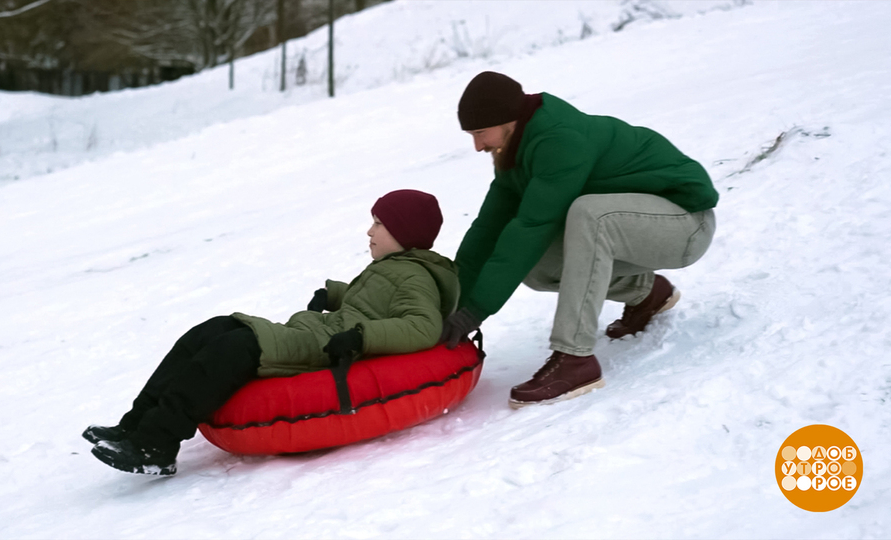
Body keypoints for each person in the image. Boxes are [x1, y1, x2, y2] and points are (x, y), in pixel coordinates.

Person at [86, 189, 458, 475]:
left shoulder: (414, 275)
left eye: (378, 223)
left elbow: (422, 326)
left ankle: (157, 445)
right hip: (318, 331)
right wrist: (335, 294)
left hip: (323, 347)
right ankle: (134, 426)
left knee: (231, 349)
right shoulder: (397, 267)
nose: (369, 230)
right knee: (210, 331)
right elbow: (374, 302)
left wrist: (363, 336)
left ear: (403, 232)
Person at [440, 71, 718, 408]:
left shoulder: (560, 140)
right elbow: (488, 230)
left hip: (686, 223)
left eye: (480, 133)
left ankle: (575, 359)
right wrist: (451, 304)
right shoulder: (515, 148)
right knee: (535, 264)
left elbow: (532, 226)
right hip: (638, 227)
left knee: (590, 215)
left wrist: (476, 311)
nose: (477, 146)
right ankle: (645, 292)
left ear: (507, 120)